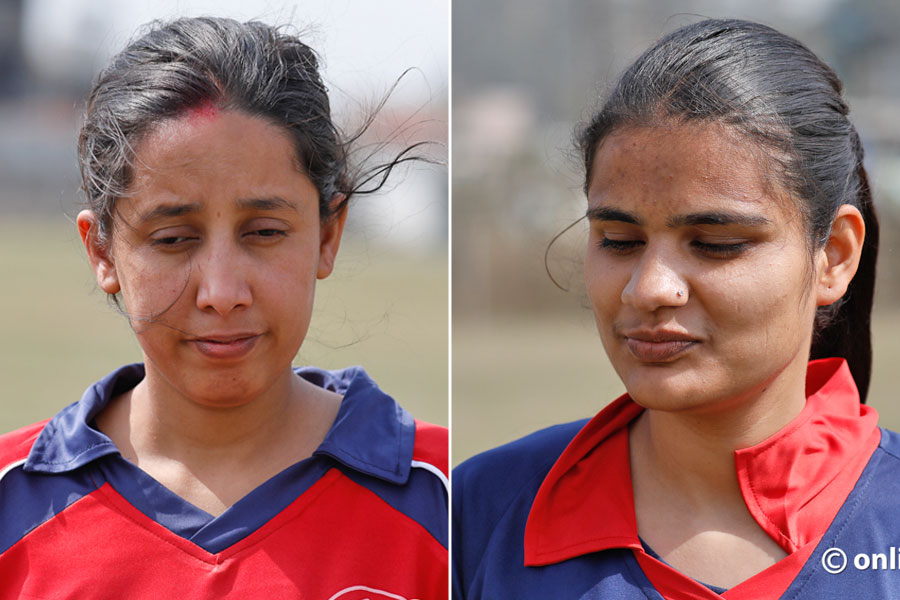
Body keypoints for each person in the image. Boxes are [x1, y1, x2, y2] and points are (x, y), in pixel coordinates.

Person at [0, 17, 447, 599]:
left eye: (263, 231)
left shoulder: (446, 500)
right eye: (173, 239)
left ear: (328, 233)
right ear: (103, 252)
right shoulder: (13, 505)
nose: (221, 291)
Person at [453, 18, 894, 599]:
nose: (649, 288)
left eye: (716, 244)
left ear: (833, 256)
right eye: (619, 240)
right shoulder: (478, 516)